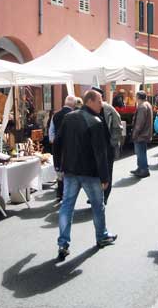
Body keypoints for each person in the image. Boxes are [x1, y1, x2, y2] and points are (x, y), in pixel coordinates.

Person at [53, 90, 117, 261]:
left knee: (67, 206)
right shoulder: (96, 121)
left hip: (71, 171)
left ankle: (63, 243)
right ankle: (102, 236)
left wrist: (58, 165)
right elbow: (101, 153)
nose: (101, 104)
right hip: (89, 172)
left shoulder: (69, 118)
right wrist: (105, 178)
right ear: (90, 101)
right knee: (98, 205)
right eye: (99, 101)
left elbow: (57, 142)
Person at [91, 87, 122, 204]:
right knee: (95, 172)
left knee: (107, 171)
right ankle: (95, 195)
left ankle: (104, 196)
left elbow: (118, 126)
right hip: (94, 148)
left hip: (107, 147)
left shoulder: (109, 109)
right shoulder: (90, 110)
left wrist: (113, 142)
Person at [49, 96, 76, 202]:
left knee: (60, 171)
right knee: (69, 172)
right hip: (70, 147)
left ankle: (60, 193)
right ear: (73, 105)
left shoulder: (55, 115)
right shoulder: (74, 116)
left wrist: (55, 141)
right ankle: (67, 195)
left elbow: (51, 133)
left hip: (57, 147)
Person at [130, 91, 153, 178]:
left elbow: (139, 123)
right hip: (145, 133)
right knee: (141, 152)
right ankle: (141, 168)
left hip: (141, 134)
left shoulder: (142, 106)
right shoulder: (147, 104)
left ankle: (143, 169)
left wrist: (135, 133)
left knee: (140, 152)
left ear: (138, 97)